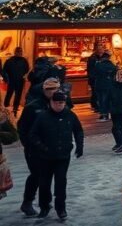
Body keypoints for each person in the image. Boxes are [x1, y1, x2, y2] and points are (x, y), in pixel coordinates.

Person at [27, 91, 83, 221]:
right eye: (57, 103)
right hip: (45, 157)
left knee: (61, 182)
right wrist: (42, 147)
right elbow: (32, 135)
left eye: (62, 103)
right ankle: (44, 206)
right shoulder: (42, 117)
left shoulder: (70, 115)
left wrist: (79, 146)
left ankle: (61, 208)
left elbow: (78, 130)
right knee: (44, 183)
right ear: (51, 103)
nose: (59, 105)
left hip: (63, 156)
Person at [17, 77, 59, 216]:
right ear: (44, 90)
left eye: (55, 89)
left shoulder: (59, 105)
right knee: (37, 175)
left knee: (46, 175)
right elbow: (22, 127)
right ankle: (28, 202)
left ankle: (44, 202)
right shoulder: (33, 107)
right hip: (34, 148)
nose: (52, 92)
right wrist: (28, 144)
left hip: (51, 147)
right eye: (49, 89)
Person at [2, 46, 29, 115]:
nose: (20, 53)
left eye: (20, 52)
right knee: (10, 94)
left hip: (17, 80)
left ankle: (14, 109)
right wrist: (6, 79)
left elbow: (27, 69)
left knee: (16, 95)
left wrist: (6, 78)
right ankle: (7, 108)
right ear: (15, 52)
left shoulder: (23, 60)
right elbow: (4, 71)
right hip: (14, 80)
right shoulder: (11, 60)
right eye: (19, 52)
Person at [93, 51, 117, 121]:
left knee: (101, 100)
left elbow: (95, 74)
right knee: (107, 100)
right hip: (109, 85)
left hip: (99, 84)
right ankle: (106, 114)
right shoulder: (112, 65)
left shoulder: (98, 65)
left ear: (103, 57)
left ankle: (103, 115)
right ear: (108, 58)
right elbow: (114, 75)